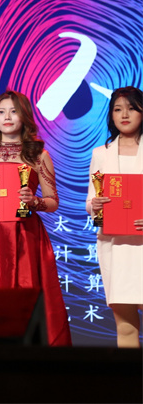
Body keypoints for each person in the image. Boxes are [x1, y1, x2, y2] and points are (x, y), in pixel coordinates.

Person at [0, 90, 71, 346]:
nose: (7, 117)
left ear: (25, 117)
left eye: (13, 111)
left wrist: (34, 202)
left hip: (25, 235)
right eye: (1, 112)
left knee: (25, 297)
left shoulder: (38, 155)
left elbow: (53, 201)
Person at [86, 86, 143, 348]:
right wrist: (95, 205)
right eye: (118, 109)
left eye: (131, 108)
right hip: (115, 245)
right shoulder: (101, 153)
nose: (124, 115)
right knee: (125, 326)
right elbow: (91, 201)